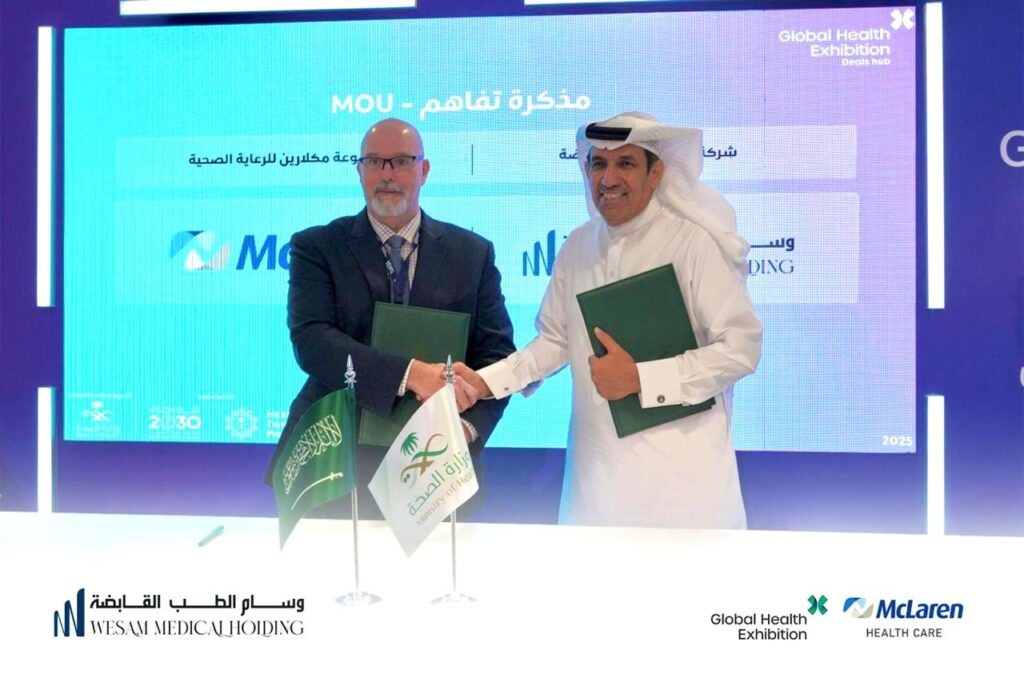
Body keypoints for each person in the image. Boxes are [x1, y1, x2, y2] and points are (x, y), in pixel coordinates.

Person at [456, 112, 761, 529]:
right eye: (598, 163)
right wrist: (485, 382)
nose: (608, 178)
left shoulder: (694, 244)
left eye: (626, 163)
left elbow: (740, 349)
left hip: (683, 488)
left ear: (656, 174)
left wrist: (641, 379)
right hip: (595, 485)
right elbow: (555, 341)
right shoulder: (579, 244)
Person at [266, 118, 515, 517]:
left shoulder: (472, 254)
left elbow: (497, 360)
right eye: (374, 162)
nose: (387, 175)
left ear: (424, 170)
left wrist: (467, 428)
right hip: (335, 462)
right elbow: (312, 342)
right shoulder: (318, 247)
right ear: (359, 171)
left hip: (438, 465)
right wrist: (412, 374)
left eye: (400, 161)